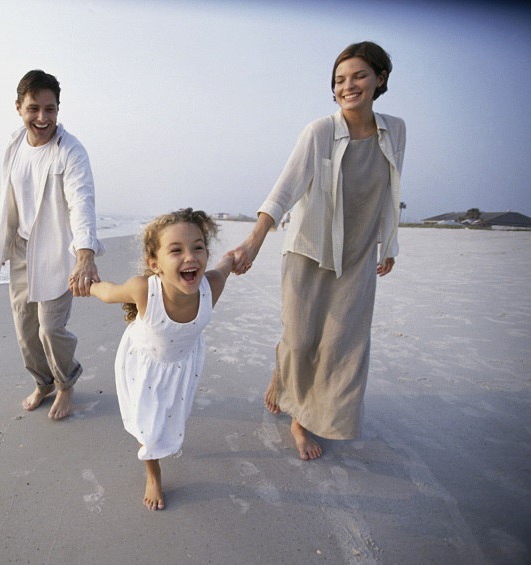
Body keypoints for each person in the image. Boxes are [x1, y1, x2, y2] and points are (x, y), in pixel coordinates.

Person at [229, 41, 406, 460]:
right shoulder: (320, 131)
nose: (348, 86)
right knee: (301, 337)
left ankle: (301, 417)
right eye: (340, 80)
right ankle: (288, 388)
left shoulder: (395, 130)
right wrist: (254, 241)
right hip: (309, 251)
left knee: (341, 344)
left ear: (380, 79)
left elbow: (391, 189)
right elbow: (285, 189)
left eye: (359, 76)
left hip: (359, 254)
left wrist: (390, 243)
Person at [86, 209, 234, 510]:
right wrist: (87, 285)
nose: (190, 256)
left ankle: (156, 452)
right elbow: (109, 292)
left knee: (171, 416)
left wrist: (236, 257)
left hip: (183, 364)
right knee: (148, 426)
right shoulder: (144, 289)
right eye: (176, 250)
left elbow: (226, 265)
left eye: (198, 247)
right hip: (144, 365)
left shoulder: (211, 286)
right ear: (155, 264)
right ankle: (153, 473)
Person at [0, 69, 104, 420]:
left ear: (58, 109)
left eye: (50, 109)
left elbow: (81, 202)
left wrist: (85, 255)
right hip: (22, 249)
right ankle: (43, 382)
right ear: (19, 107)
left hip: (57, 251)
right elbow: (10, 199)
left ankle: (66, 384)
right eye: (34, 108)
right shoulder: (14, 144)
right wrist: (1, 243)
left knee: (50, 327)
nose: (42, 118)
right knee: (25, 329)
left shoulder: (71, 151)